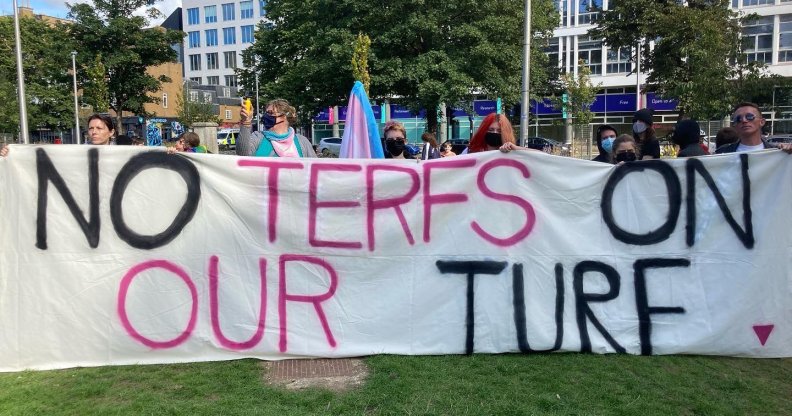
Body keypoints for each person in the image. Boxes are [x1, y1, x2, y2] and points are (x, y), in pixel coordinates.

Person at [237, 99, 317, 158]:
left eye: (271, 113)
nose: (266, 116)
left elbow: (315, 167)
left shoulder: (302, 141)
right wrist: (246, 122)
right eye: (266, 113)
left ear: (284, 117)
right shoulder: (258, 137)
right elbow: (242, 155)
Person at [716, 102, 792, 154]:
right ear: (735, 125)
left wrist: (788, 153)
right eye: (738, 118)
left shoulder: (778, 152)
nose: (744, 120)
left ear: (762, 122)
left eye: (749, 117)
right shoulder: (722, 153)